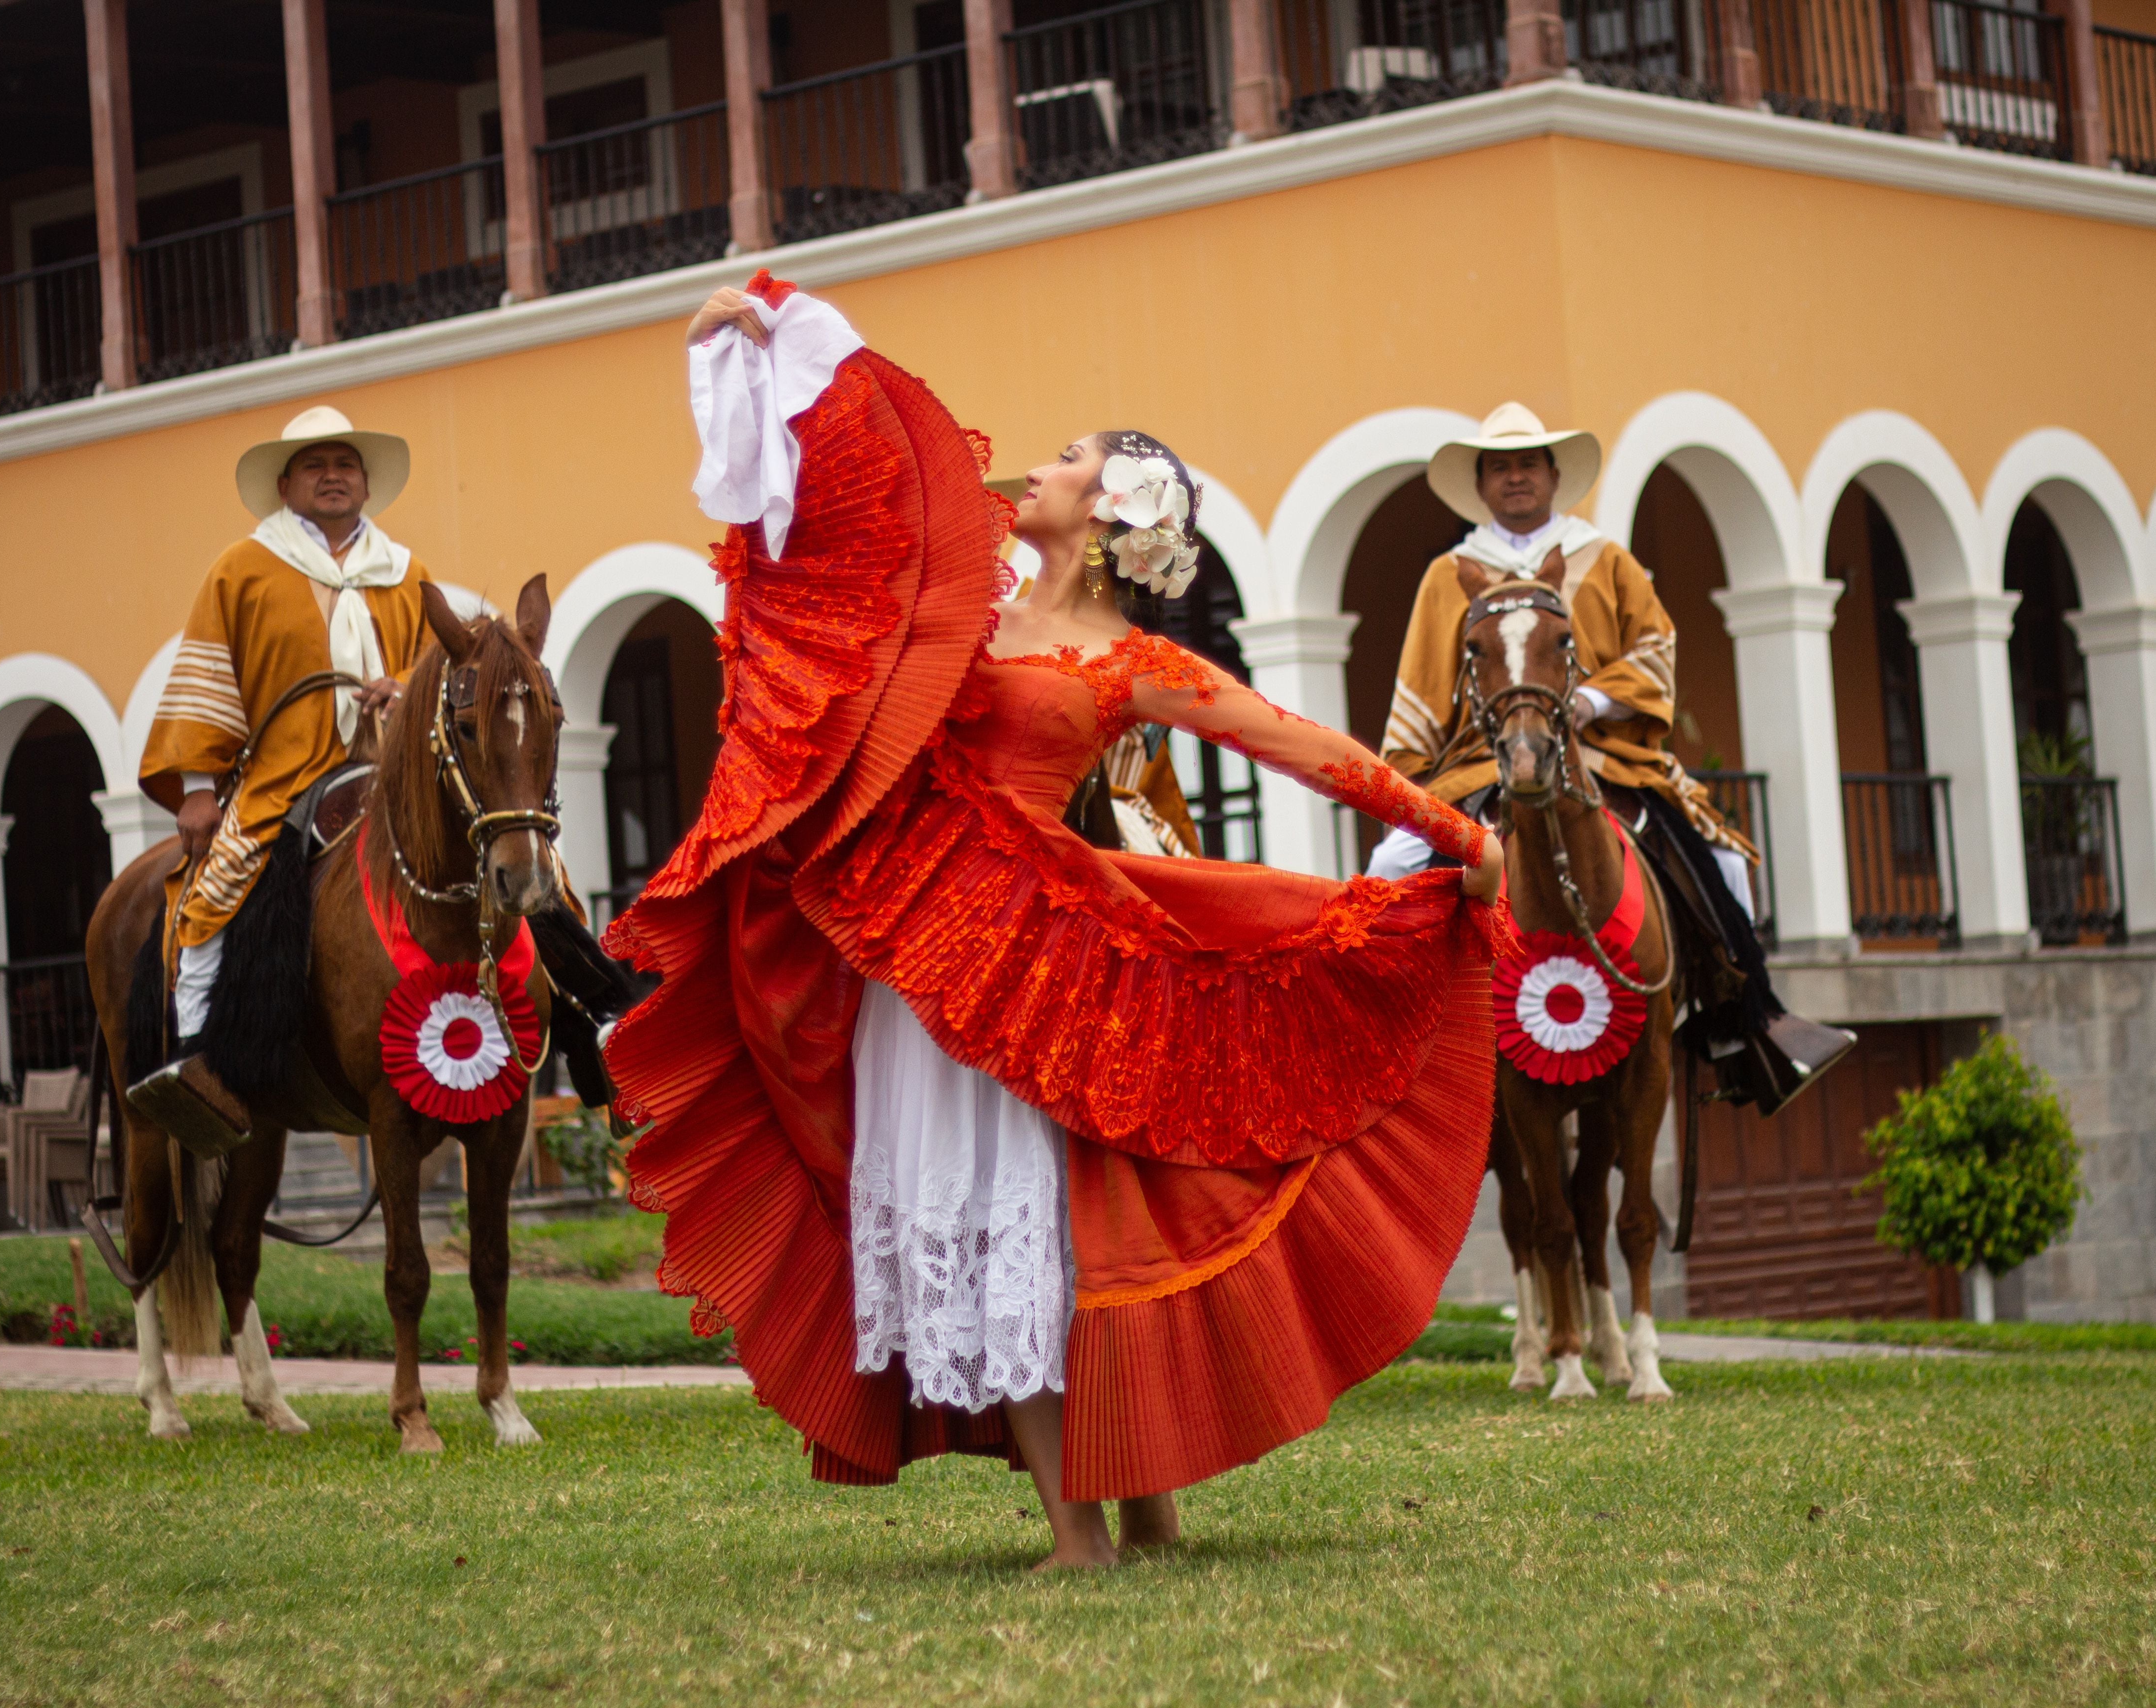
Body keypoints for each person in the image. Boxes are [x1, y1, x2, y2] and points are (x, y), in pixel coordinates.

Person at [603, 275, 1508, 1571]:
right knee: (983, 1217)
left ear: (1113, 511)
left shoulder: (1134, 664)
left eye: (1073, 458)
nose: (1039, 463)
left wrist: (1463, 836)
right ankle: (1087, 1524)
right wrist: (769, 350)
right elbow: (846, 516)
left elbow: (1302, 747)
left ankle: (1130, 1511)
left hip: (1042, 953)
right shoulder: (958, 604)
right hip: (921, 940)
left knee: (1075, 1215)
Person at [1370, 402, 1850, 1111]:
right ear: (1480, 484)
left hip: (1605, 755)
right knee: (1392, 869)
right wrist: (1416, 784)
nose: (1516, 479)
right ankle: (1396, 1046)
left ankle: (1745, 1027)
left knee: (1722, 862)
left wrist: (1592, 702)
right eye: (1500, 468)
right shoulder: (1450, 575)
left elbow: (1656, 650)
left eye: (1528, 464)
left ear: (1555, 474)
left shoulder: (1607, 559)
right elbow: (1418, 689)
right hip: (1485, 758)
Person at [129, 406, 433, 1149]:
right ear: (286, 483)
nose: (334, 475)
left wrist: (404, 688)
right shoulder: (243, 568)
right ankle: (194, 1060)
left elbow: (442, 673)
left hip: (391, 780)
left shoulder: (409, 573)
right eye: (316, 464)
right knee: (214, 892)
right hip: (283, 779)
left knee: (516, 860)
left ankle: (592, 1018)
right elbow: (207, 679)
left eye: (346, 464)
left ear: (366, 483)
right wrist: (199, 790)